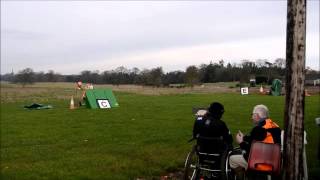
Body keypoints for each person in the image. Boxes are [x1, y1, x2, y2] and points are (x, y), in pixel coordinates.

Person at [229, 104, 281, 179]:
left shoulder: (258, 129)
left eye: (252, 115)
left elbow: (250, 150)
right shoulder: (275, 126)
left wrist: (241, 142)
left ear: (257, 115)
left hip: (260, 163)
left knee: (232, 159)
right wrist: (244, 137)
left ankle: (245, 175)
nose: (251, 117)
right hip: (275, 162)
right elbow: (261, 138)